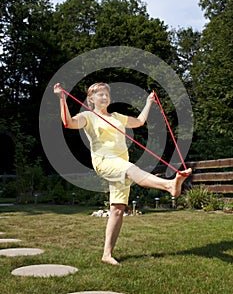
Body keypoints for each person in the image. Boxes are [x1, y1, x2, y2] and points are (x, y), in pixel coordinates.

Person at [54, 82, 192, 265]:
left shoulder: (117, 117)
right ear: (91, 99)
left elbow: (140, 121)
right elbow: (68, 123)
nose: (104, 97)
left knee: (117, 209)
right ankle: (169, 185)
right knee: (131, 169)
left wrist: (149, 102)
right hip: (105, 162)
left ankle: (106, 254)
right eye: (100, 94)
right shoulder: (88, 116)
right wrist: (61, 98)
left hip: (121, 163)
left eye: (106, 95)